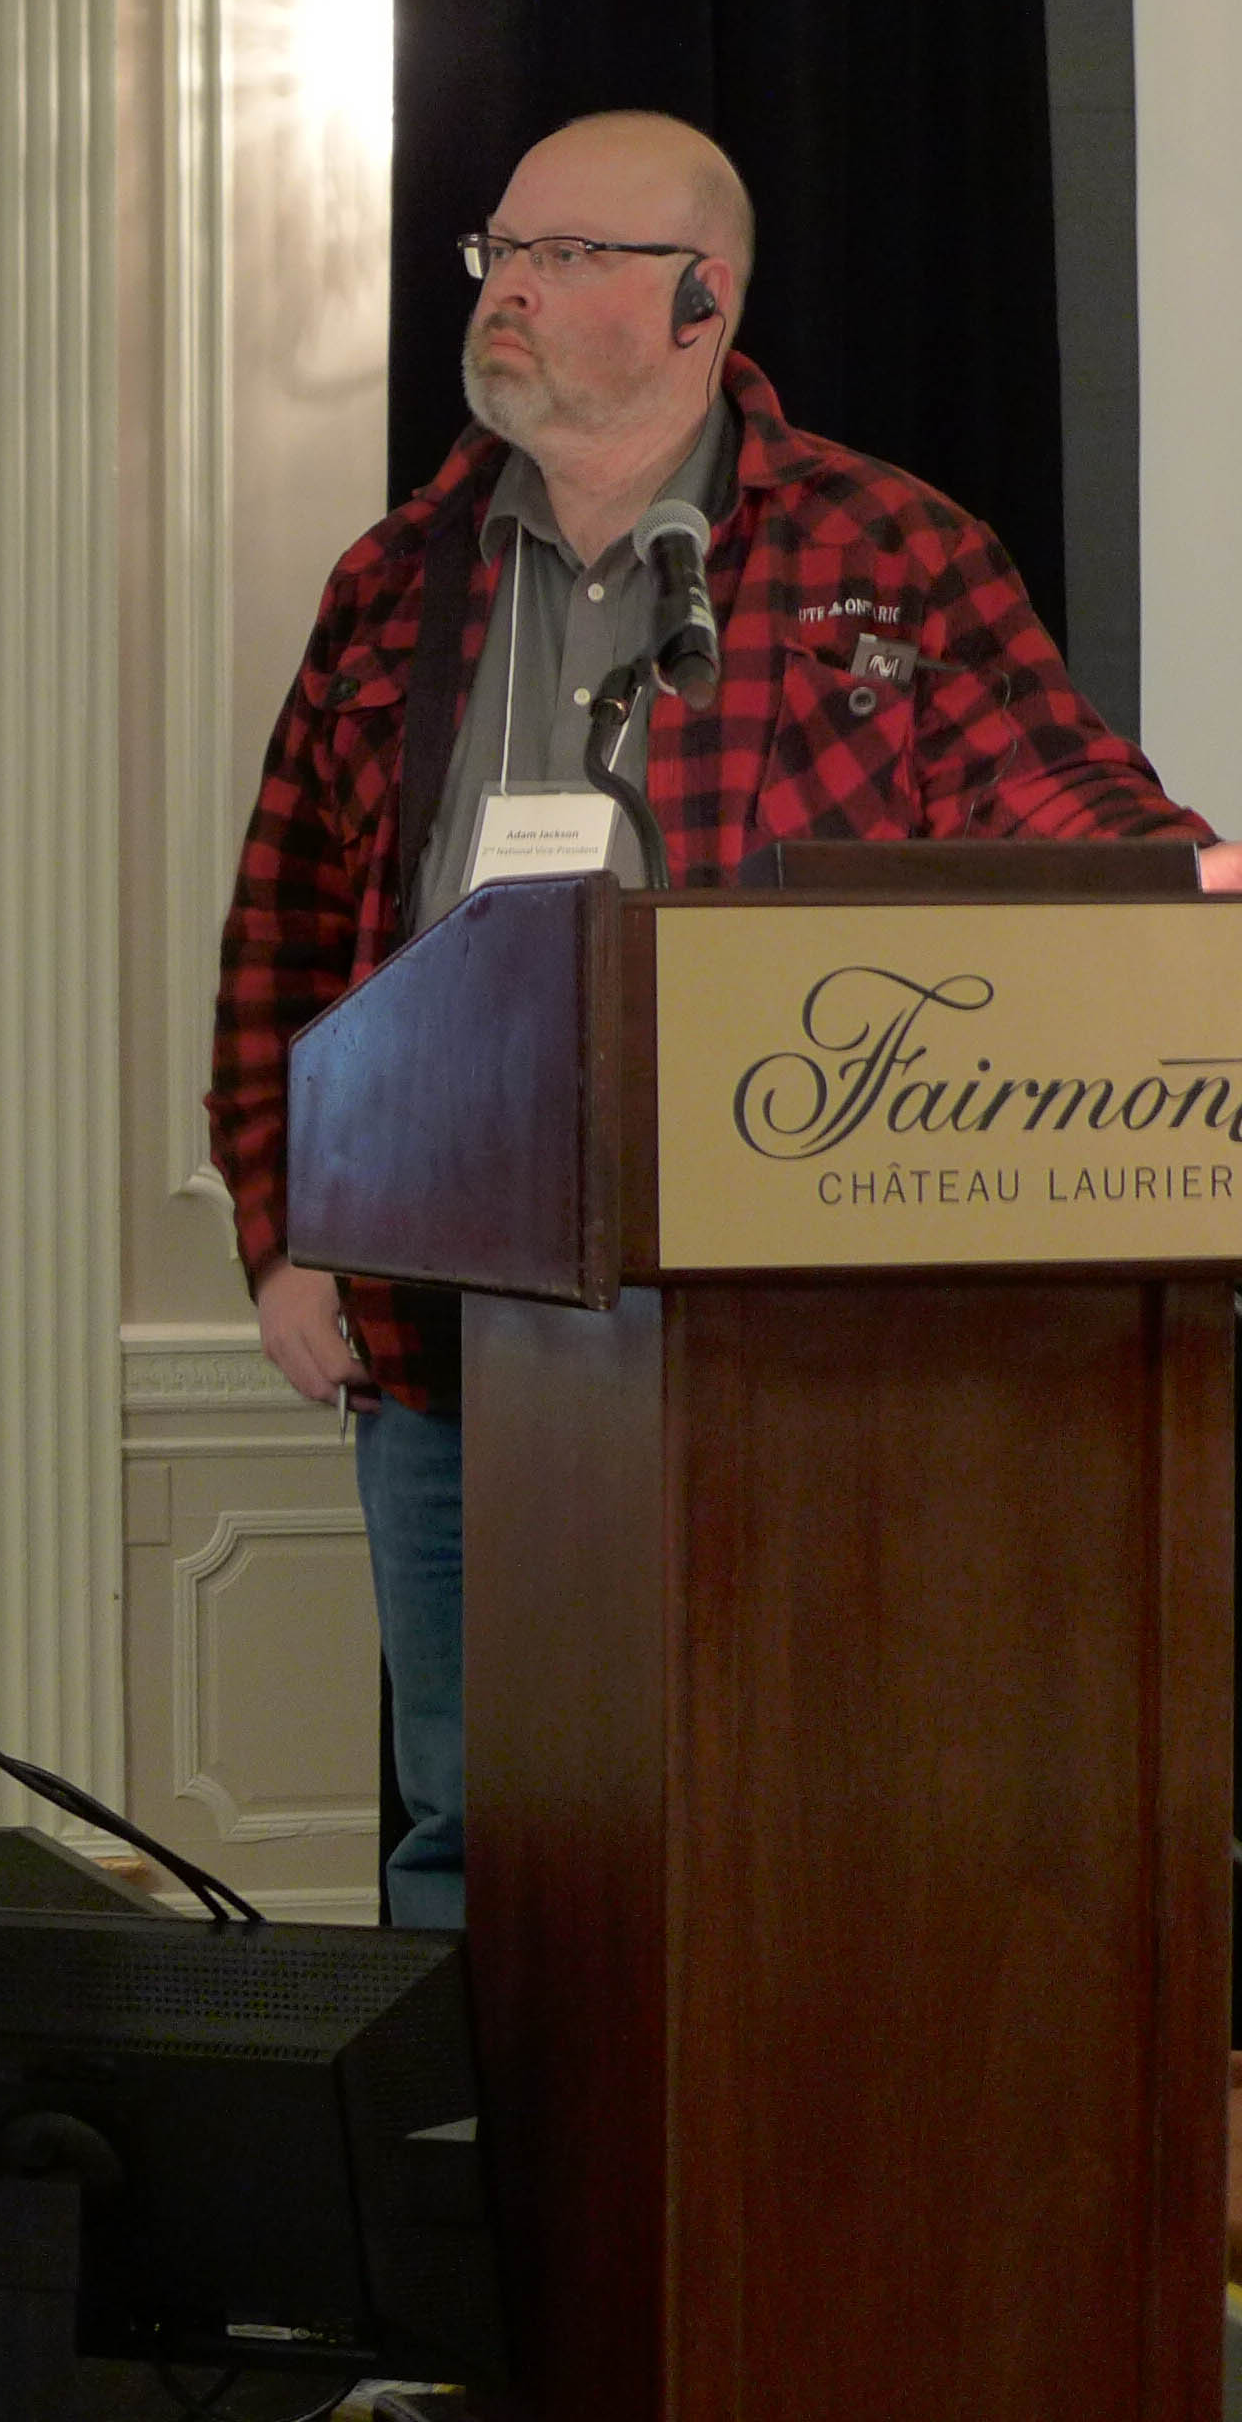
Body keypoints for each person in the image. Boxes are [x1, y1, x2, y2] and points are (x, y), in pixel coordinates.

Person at [205, 112, 1234, 1928]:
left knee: (786, 1815)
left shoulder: (890, 550)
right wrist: (282, 1236)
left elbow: (1072, 814)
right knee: (475, 1826)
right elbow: (285, 929)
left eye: (563, 258)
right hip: (453, 1335)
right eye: (497, 254)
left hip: (792, 1340)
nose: (507, 292)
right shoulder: (396, 579)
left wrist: (1191, 888)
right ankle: (486, 2131)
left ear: (701, 298)